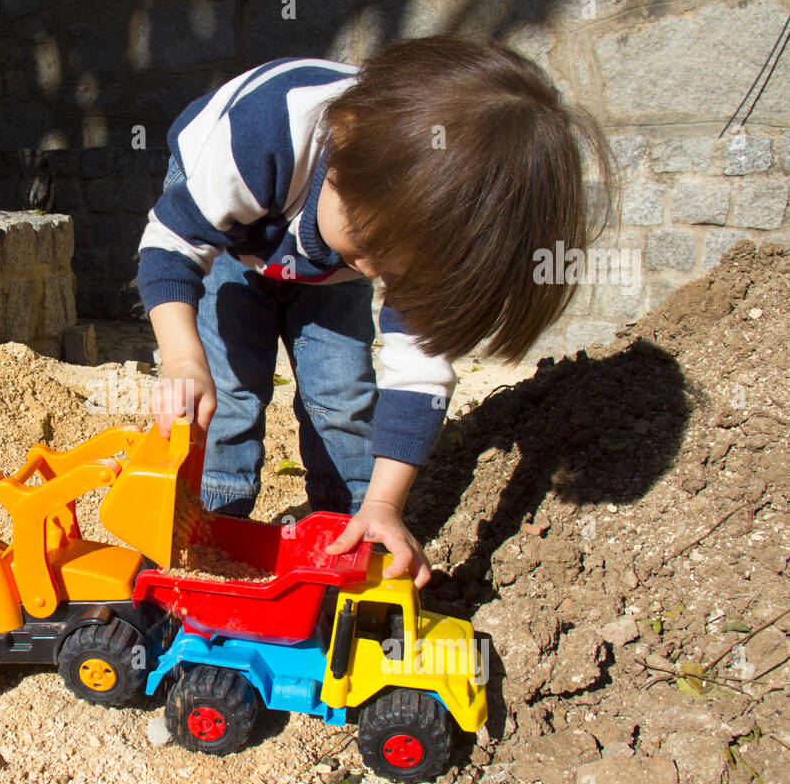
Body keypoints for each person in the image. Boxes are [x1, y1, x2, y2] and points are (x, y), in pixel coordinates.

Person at [138, 36, 615, 588]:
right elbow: (172, 247)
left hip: (321, 259)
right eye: (370, 244)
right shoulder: (260, 135)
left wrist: (385, 505)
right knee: (228, 391)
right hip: (228, 235)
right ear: (343, 144)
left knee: (341, 391)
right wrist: (182, 362)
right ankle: (213, 523)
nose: (376, 271)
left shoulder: (409, 226)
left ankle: (345, 520)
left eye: (395, 266)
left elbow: (420, 371)